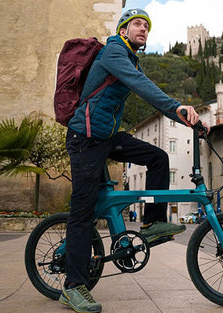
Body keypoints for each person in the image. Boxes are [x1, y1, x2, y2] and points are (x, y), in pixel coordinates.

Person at [59, 8, 208, 313]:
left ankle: (153, 223)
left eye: (146, 26)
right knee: (82, 213)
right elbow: (144, 89)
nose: (143, 29)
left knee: (158, 157)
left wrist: (191, 122)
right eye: (137, 24)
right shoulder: (115, 51)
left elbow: (149, 90)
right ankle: (73, 286)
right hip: (85, 138)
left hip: (107, 136)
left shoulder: (129, 58)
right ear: (123, 30)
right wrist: (178, 107)